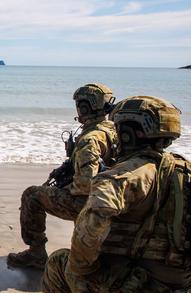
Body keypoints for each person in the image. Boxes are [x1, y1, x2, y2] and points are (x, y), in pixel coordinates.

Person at [28, 96, 191, 293]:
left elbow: (96, 215)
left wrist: (83, 268)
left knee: (60, 264)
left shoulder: (125, 176)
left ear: (127, 134)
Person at [7, 83, 118, 269]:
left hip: (91, 202)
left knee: (31, 195)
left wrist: (63, 189)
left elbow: (85, 184)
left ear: (84, 107)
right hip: (110, 199)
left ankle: (36, 253)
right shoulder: (114, 130)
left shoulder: (90, 139)